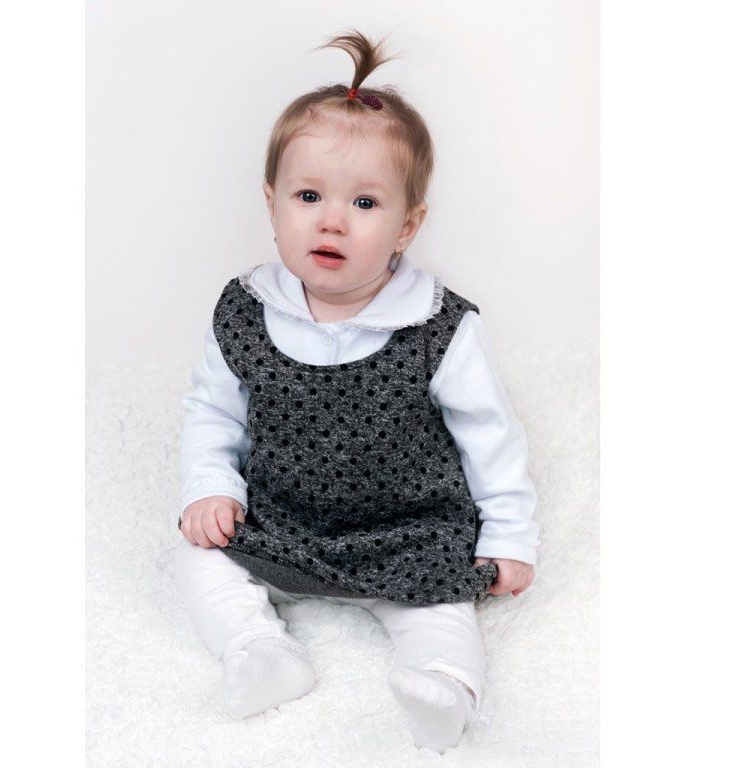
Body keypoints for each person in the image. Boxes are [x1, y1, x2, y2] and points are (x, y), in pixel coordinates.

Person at [171, 29, 540, 752]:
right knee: (196, 554)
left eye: (365, 202)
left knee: (443, 608)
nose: (332, 219)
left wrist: (509, 536)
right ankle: (259, 652)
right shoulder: (246, 310)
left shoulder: (437, 325)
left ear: (407, 226)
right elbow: (213, 412)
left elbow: (491, 436)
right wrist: (209, 487)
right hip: (282, 518)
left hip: (408, 530)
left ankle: (444, 688)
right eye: (308, 195)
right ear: (272, 204)